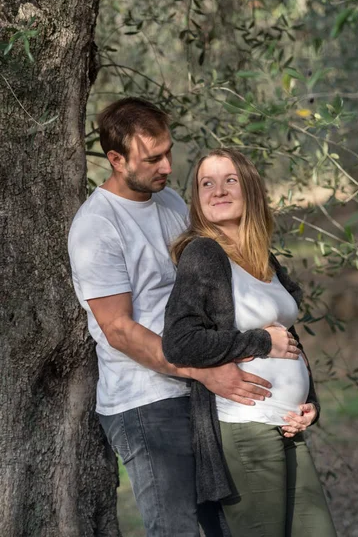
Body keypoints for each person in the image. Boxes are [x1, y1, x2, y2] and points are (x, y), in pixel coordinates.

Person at [68, 99, 273, 537]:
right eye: (152, 158)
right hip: (145, 401)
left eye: (168, 152)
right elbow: (120, 330)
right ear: (116, 160)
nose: (166, 165)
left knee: (229, 525)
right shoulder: (96, 226)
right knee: (176, 529)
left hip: (199, 389)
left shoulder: (172, 202)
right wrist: (204, 372)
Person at [163, 148, 337, 537]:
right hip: (245, 429)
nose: (218, 190)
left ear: (251, 189)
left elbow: (289, 342)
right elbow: (180, 341)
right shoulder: (203, 254)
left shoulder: (264, 259)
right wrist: (261, 342)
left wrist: (312, 404)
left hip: (288, 426)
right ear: (197, 198)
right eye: (207, 183)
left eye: (230, 180)